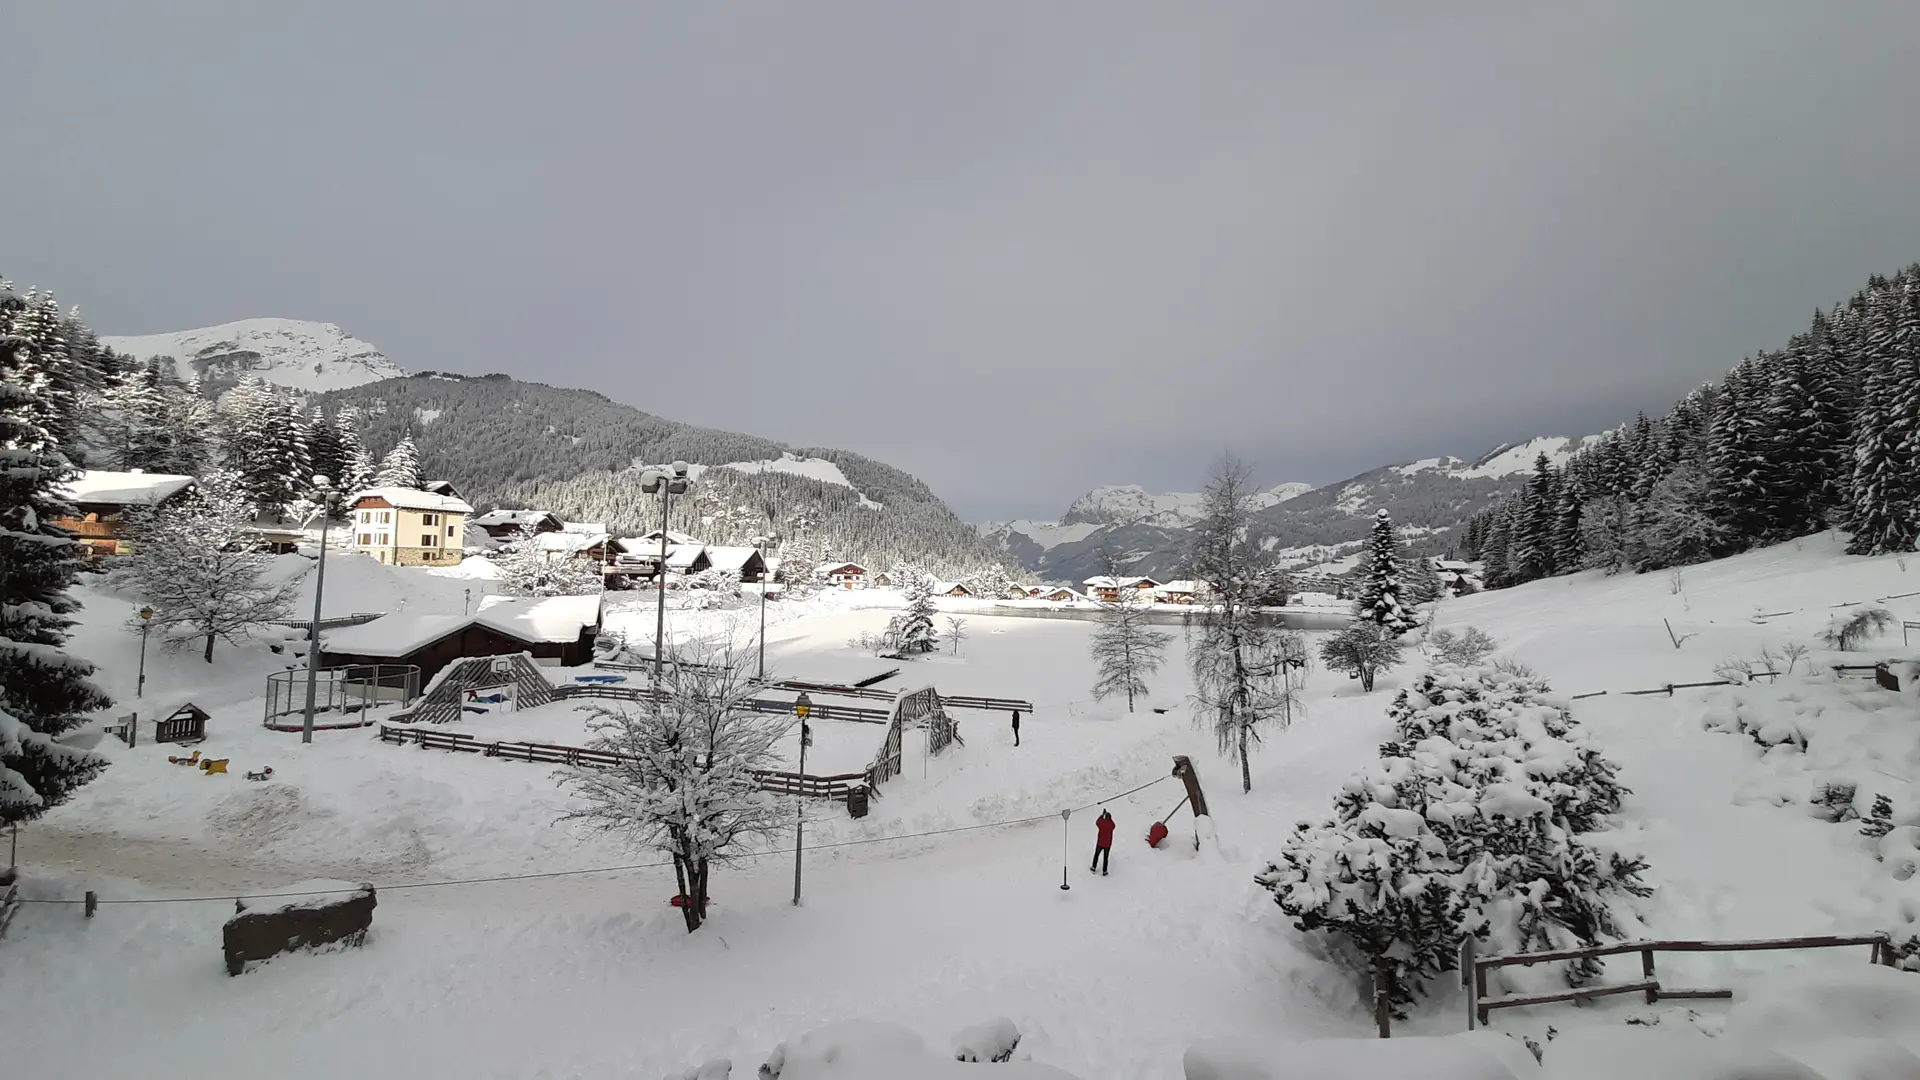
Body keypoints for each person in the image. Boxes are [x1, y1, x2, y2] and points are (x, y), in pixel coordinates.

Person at [1090, 809, 1115, 875]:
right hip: (1107, 845)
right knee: (1105, 857)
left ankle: (1093, 867)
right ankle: (1104, 871)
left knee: (1096, 855)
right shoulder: (1111, 825)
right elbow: (1113, 825)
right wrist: (1110, 819)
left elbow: (1097, 822)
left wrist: (1102, 815)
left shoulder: (1102, 823)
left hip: (1100, 843)